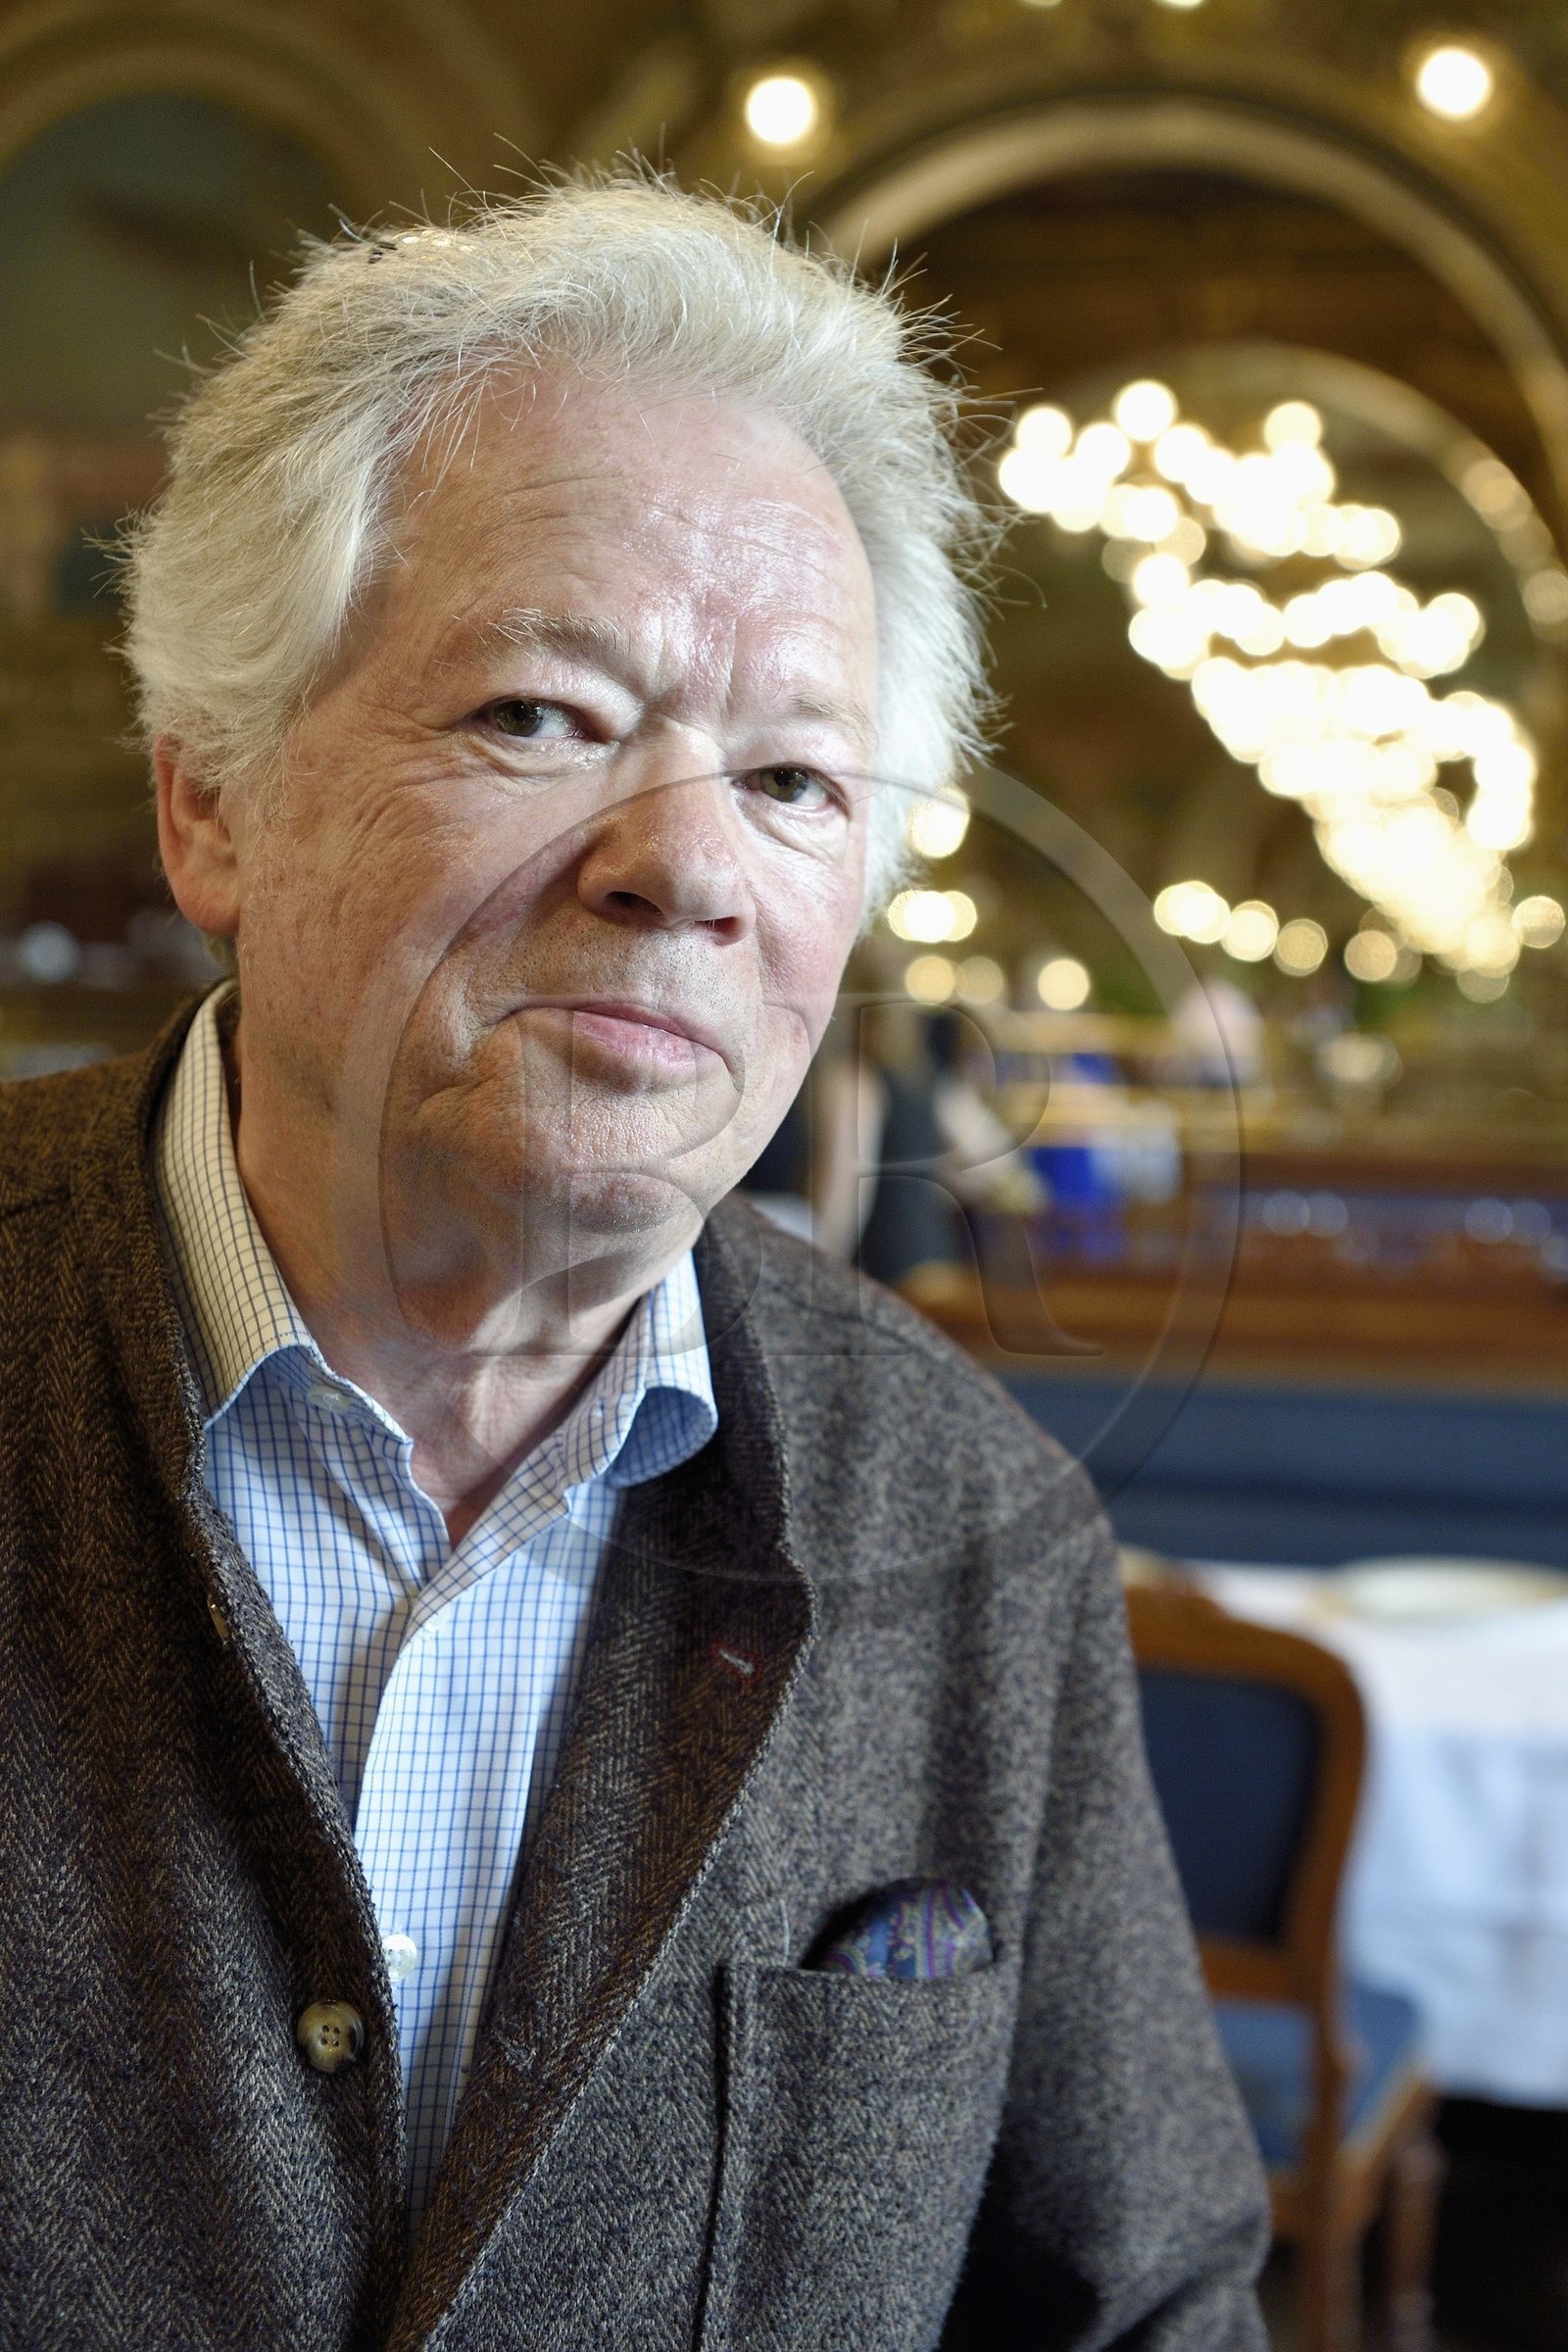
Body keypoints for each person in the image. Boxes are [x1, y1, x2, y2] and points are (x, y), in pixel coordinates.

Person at [0, 176, 1268, 2349]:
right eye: (539, 716)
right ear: (212, 798)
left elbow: (1139, 2304)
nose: (683, 864)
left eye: (790, 779)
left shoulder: (978, 1527)